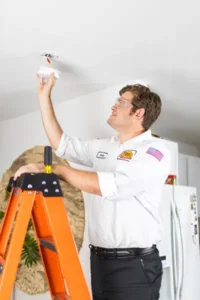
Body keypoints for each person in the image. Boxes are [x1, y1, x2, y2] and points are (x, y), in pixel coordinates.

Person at [14, 74, 171, 300]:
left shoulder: (154, 151)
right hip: (100, 261)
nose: (113, 106)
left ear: (139, 113)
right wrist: (43, 96)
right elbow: (62, 145)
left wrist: (57, 170)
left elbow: (112, 187)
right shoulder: (105, 147)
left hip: (135, 266)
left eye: (121, 102)